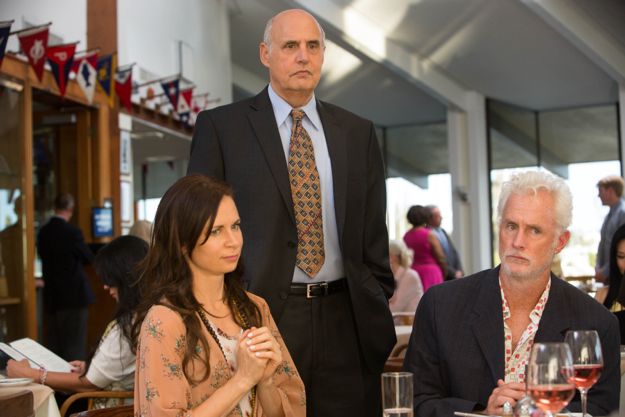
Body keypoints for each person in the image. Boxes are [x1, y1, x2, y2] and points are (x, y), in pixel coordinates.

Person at [187, 9, 394, 417]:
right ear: (265, 54)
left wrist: (374, 294)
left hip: (347, 319)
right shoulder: (222, 129)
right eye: (290, 46)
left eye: (313, 46)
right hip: (257, 320)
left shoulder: (357, 132)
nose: (303, 56)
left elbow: (373, 232)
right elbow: (196, 229)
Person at [403, 171, 620, 417]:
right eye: (511, 226)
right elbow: (416, 401)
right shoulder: (440, 305)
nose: (518, 241)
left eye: (534, 230)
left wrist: (543, 412)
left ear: (560, 242)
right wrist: (482, 414)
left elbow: (600, 410)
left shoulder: (597, 323)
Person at [132, 175, 305, 417]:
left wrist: (265, 381)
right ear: (182, 242)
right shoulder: (164, 321)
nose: (233, 241)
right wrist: (243, 379)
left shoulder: (254, 307)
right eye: (216, 231)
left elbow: (290, 410)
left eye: (235, 226)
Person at [8, 235, 147, 406]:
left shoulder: (129, 325)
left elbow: (88, 384)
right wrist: (92, 366)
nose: (105, 286)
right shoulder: (145, 315)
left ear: (126, 279)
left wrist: (31, 374)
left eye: (110, 280)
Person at [38, 193, 94, 361]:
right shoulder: (73, 232)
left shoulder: (43, 232)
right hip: (74, 297)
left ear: (54, 207)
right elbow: (88, 257)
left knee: (54, 348)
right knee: (74, 348)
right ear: (71, 209)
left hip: (52, 297)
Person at [403, 205, 447, 292]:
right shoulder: (429, 235)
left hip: (414, 273)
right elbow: (440, 257)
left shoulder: (406, 236)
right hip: (430, 273)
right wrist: (445, 270)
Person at [595, 175, 625, 283]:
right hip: (609, 276)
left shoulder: (622, 213)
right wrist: (599, 268)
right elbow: (603, 244)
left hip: (618, 276)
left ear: (611, 191)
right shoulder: (609, 216)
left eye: (601, 191)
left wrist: (605, 272)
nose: (598, 195)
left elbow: (621, 248)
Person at [426, 204, 464, 280]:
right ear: (430, 218)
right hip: (443, 275)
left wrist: (460, 270)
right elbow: (438, 258)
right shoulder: (427, 234)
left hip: (455, 275)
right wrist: (453, 273)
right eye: (437, 216)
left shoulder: (443, 231)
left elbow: (453, 251)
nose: (441, 217)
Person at [388, 240, 423, 315]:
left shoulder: (410, 276)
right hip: (397, 319)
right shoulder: (392, 274)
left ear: (393, 257)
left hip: (408, 320)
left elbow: (396, 307)